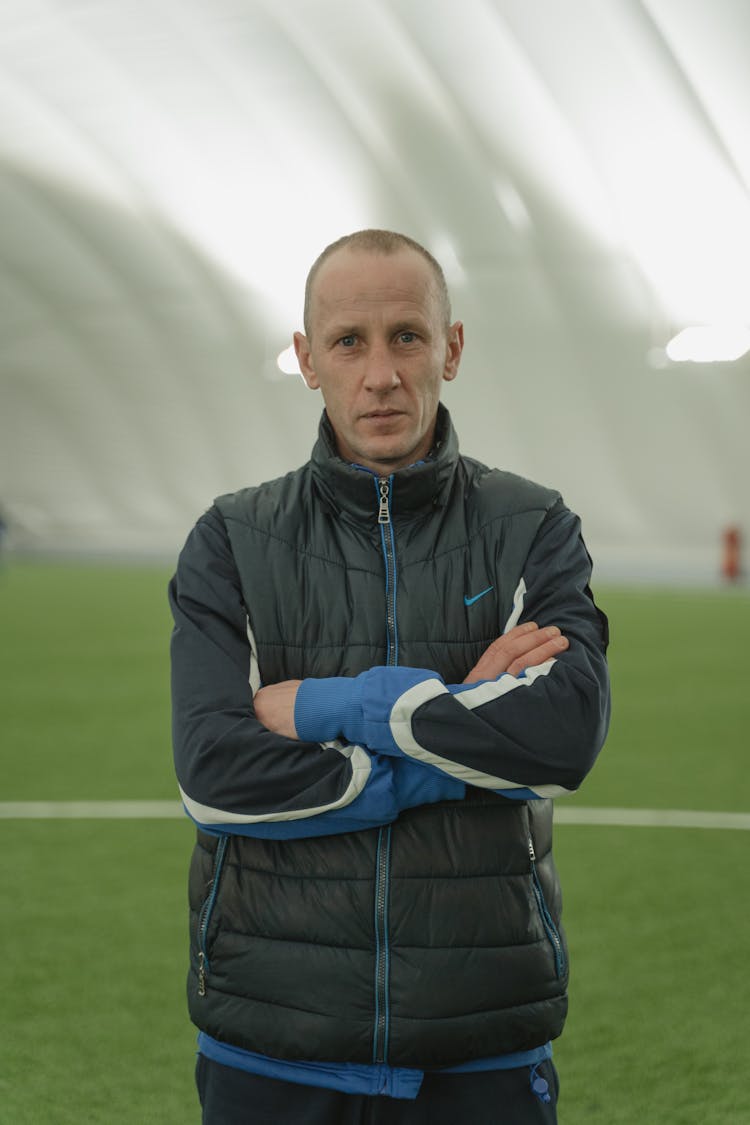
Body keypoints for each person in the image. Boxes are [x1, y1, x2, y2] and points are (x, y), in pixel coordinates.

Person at [169, 229, 610, 1124]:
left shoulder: (533, 527)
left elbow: (564, 735)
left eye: (406, 335)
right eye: (348, 342)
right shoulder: (231, 539)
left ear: (450, 348)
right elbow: (214, 774)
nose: (380, 374)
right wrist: (462, 727)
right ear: (306, 359)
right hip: (272, 1033)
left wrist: (334, 705)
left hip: (481, 1037)